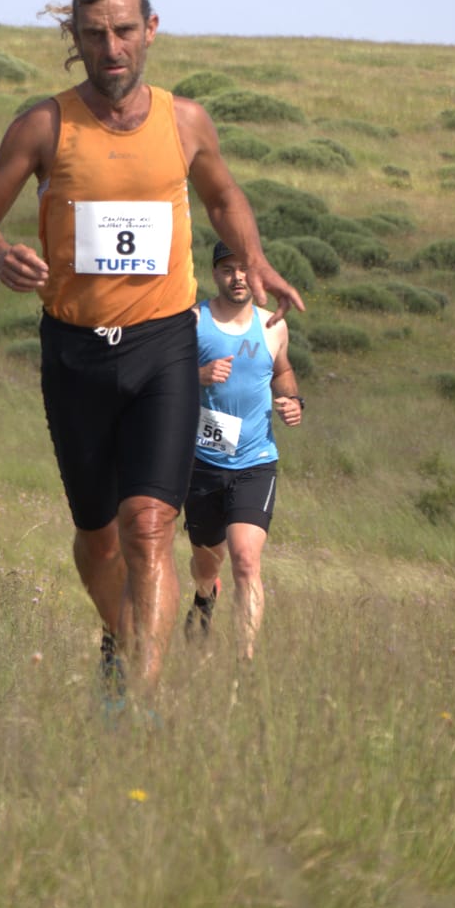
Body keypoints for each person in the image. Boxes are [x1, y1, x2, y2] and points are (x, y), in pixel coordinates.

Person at [0, 0, 303, 698]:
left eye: (123, 30)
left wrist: (254, 256)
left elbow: (222, 193)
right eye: (93, 34)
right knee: (97, 538)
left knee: (149, 525)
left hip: (164, 344)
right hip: (76, 352)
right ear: (74, 39)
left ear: (150, 30)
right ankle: (117, 634)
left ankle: (138, 704)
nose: (110, 47)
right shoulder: (44, 125)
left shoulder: (184, 121)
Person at [184, 240, 302, 660]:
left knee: (246, 562)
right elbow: (162, 378)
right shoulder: (194, 321)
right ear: (214, 274)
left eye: (244, 269)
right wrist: (198, 374)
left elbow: (283, 370)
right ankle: (203, 597)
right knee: (206, 563)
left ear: (258, 275)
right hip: (202, 462)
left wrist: (292, 400)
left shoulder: (273, 325)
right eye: (227, 269)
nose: (237, 278)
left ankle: (244, 660)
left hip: (256, 462)